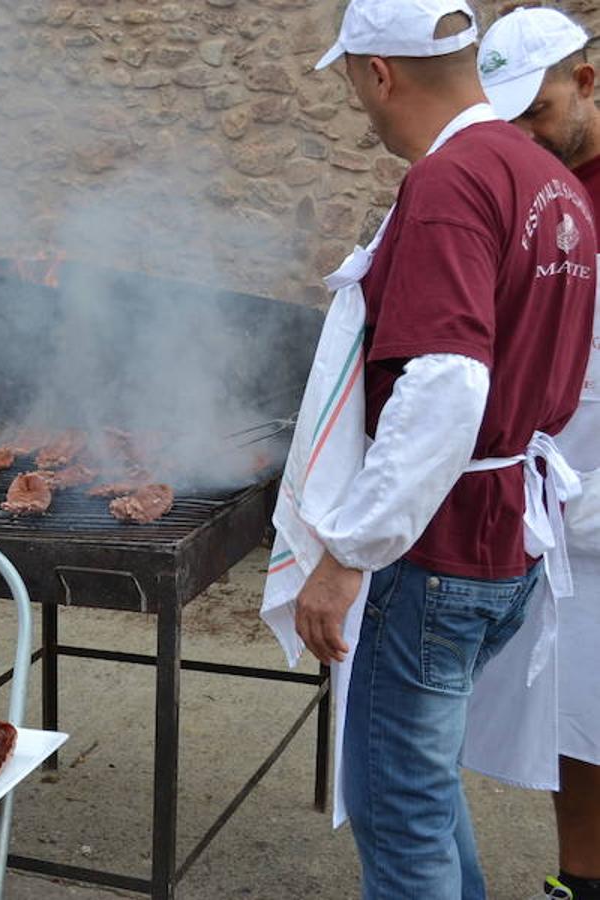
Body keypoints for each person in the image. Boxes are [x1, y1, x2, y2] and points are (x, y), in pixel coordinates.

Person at [260, 1, 597, 897]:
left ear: (380, 73)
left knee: (400, 811)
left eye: (350, 80)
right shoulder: (547, 176)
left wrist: (348, 554)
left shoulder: (450, 181)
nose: (357, 101)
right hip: (504, 543)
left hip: (436, 554)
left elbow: (449, 383)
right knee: (421, 783)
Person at [477, 9, 600, 900]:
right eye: (508, 117)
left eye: (541, 112)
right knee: (577, 708)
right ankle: (580, 880)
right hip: (569, 496)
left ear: (588, 83)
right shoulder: (530, 186)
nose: (526, 137)